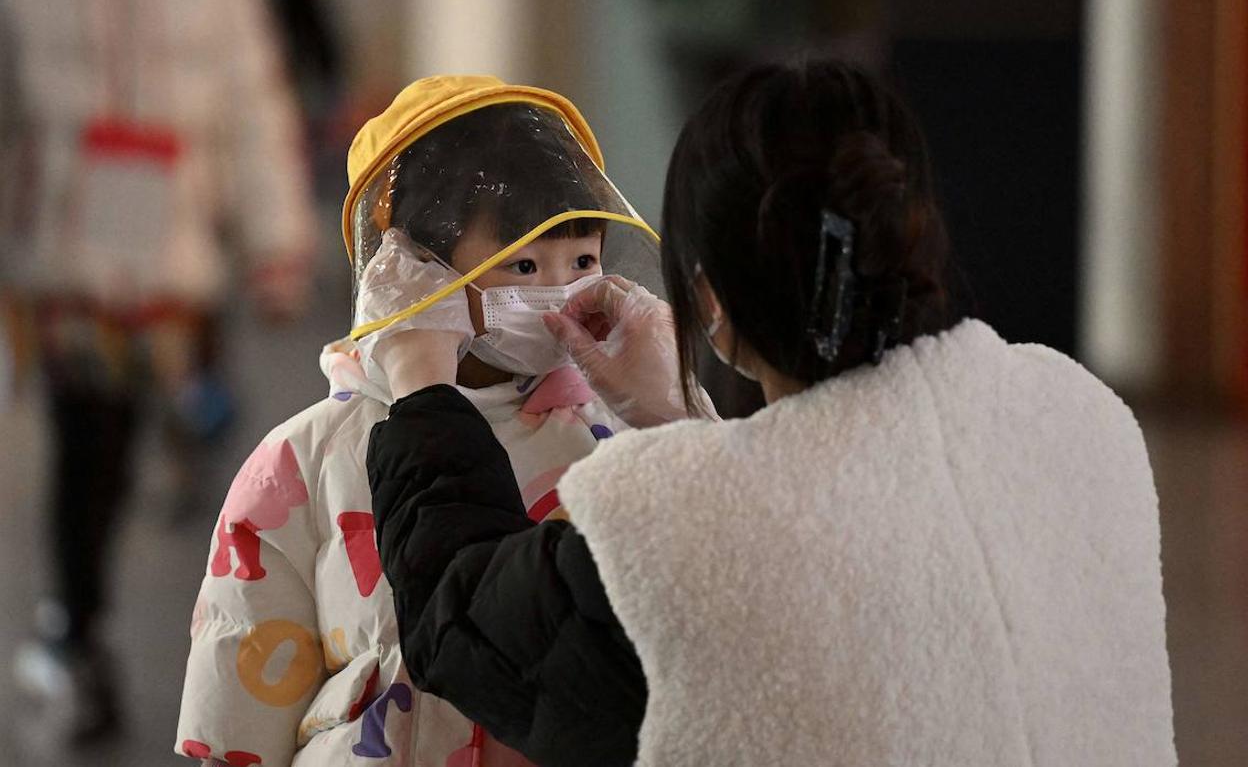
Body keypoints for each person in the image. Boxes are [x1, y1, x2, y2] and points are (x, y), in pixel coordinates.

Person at [366, 59, 1177, 766]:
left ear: (708, 302)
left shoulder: (673, 518)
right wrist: (678, 416)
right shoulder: (1081, 413)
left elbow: (459, 624)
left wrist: (421, 383)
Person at [176, 75, 679, 766]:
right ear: (416, 268)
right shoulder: (307, 460)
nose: (560, 293)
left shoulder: (629, 438)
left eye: (583, 262)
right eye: (524, 263)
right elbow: (240, 694)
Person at [2, 0, 316, 743]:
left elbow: (252, 109)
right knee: (89, 441)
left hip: (176, 258)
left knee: (163, 427)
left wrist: (276, 240)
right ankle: (78, 628)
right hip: (68, 260)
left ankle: (155, 623)